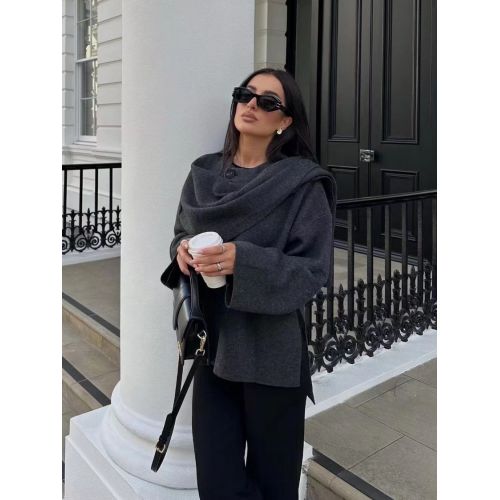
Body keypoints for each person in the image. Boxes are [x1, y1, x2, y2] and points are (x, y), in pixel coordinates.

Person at [168, 67, 337, 500]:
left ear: (285, 121)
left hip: (271, 356)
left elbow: (312, 271)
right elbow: (180, 233)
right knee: (217, 485)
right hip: (213, 350)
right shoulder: (203, 174)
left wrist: (244, 262)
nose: (251, 105)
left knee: (274, 485)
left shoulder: (302, 184)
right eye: (246, 94)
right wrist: (181, 250)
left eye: (268, 101)